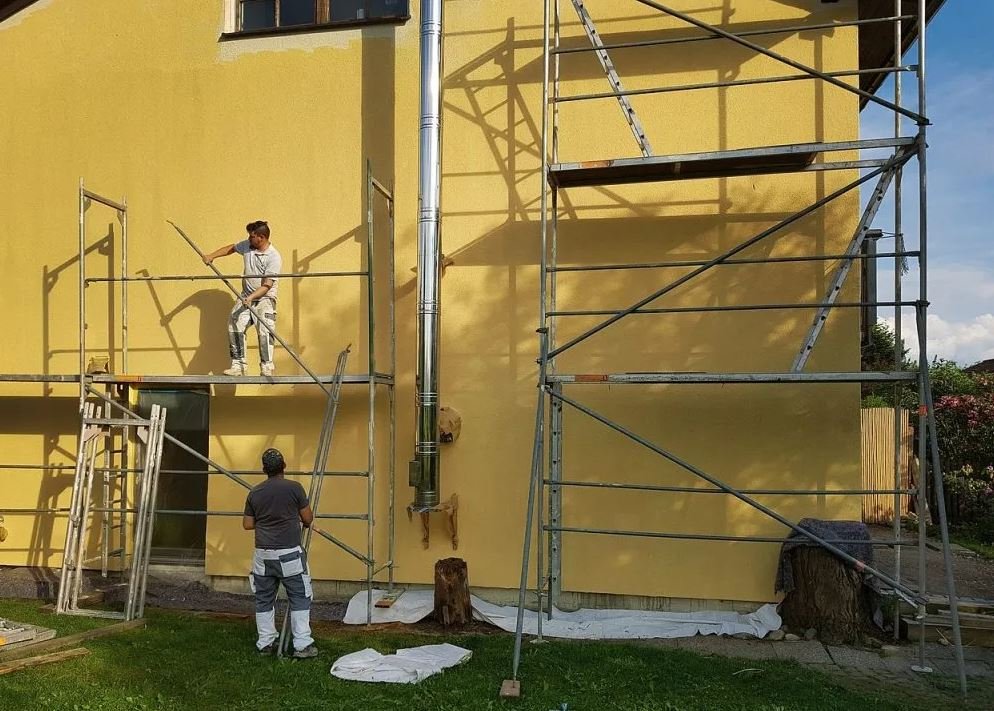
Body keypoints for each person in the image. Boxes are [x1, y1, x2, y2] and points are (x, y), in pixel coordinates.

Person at [242, 448, 318, 658]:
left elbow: (247, 524)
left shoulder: (255, 493)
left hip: (263, 555)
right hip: (289, 553)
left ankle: (266, 643)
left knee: (264, 599)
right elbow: (308, 518)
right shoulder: (294, 488)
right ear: (284, 466)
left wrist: (266, 519)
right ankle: (302, 645)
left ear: (264, 469)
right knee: (300, 597)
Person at [203, 221, 283, 376]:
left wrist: (251, 297)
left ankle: (267, 367)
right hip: (246, 296)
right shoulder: (248, 246)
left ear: (261, 237)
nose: (248, 239)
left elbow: (267, 285)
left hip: (265, 299)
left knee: (265, 330)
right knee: (235, 324)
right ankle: (239, 366)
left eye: (252, 236)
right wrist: (211, 256)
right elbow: (232, 248)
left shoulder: (273, 257)